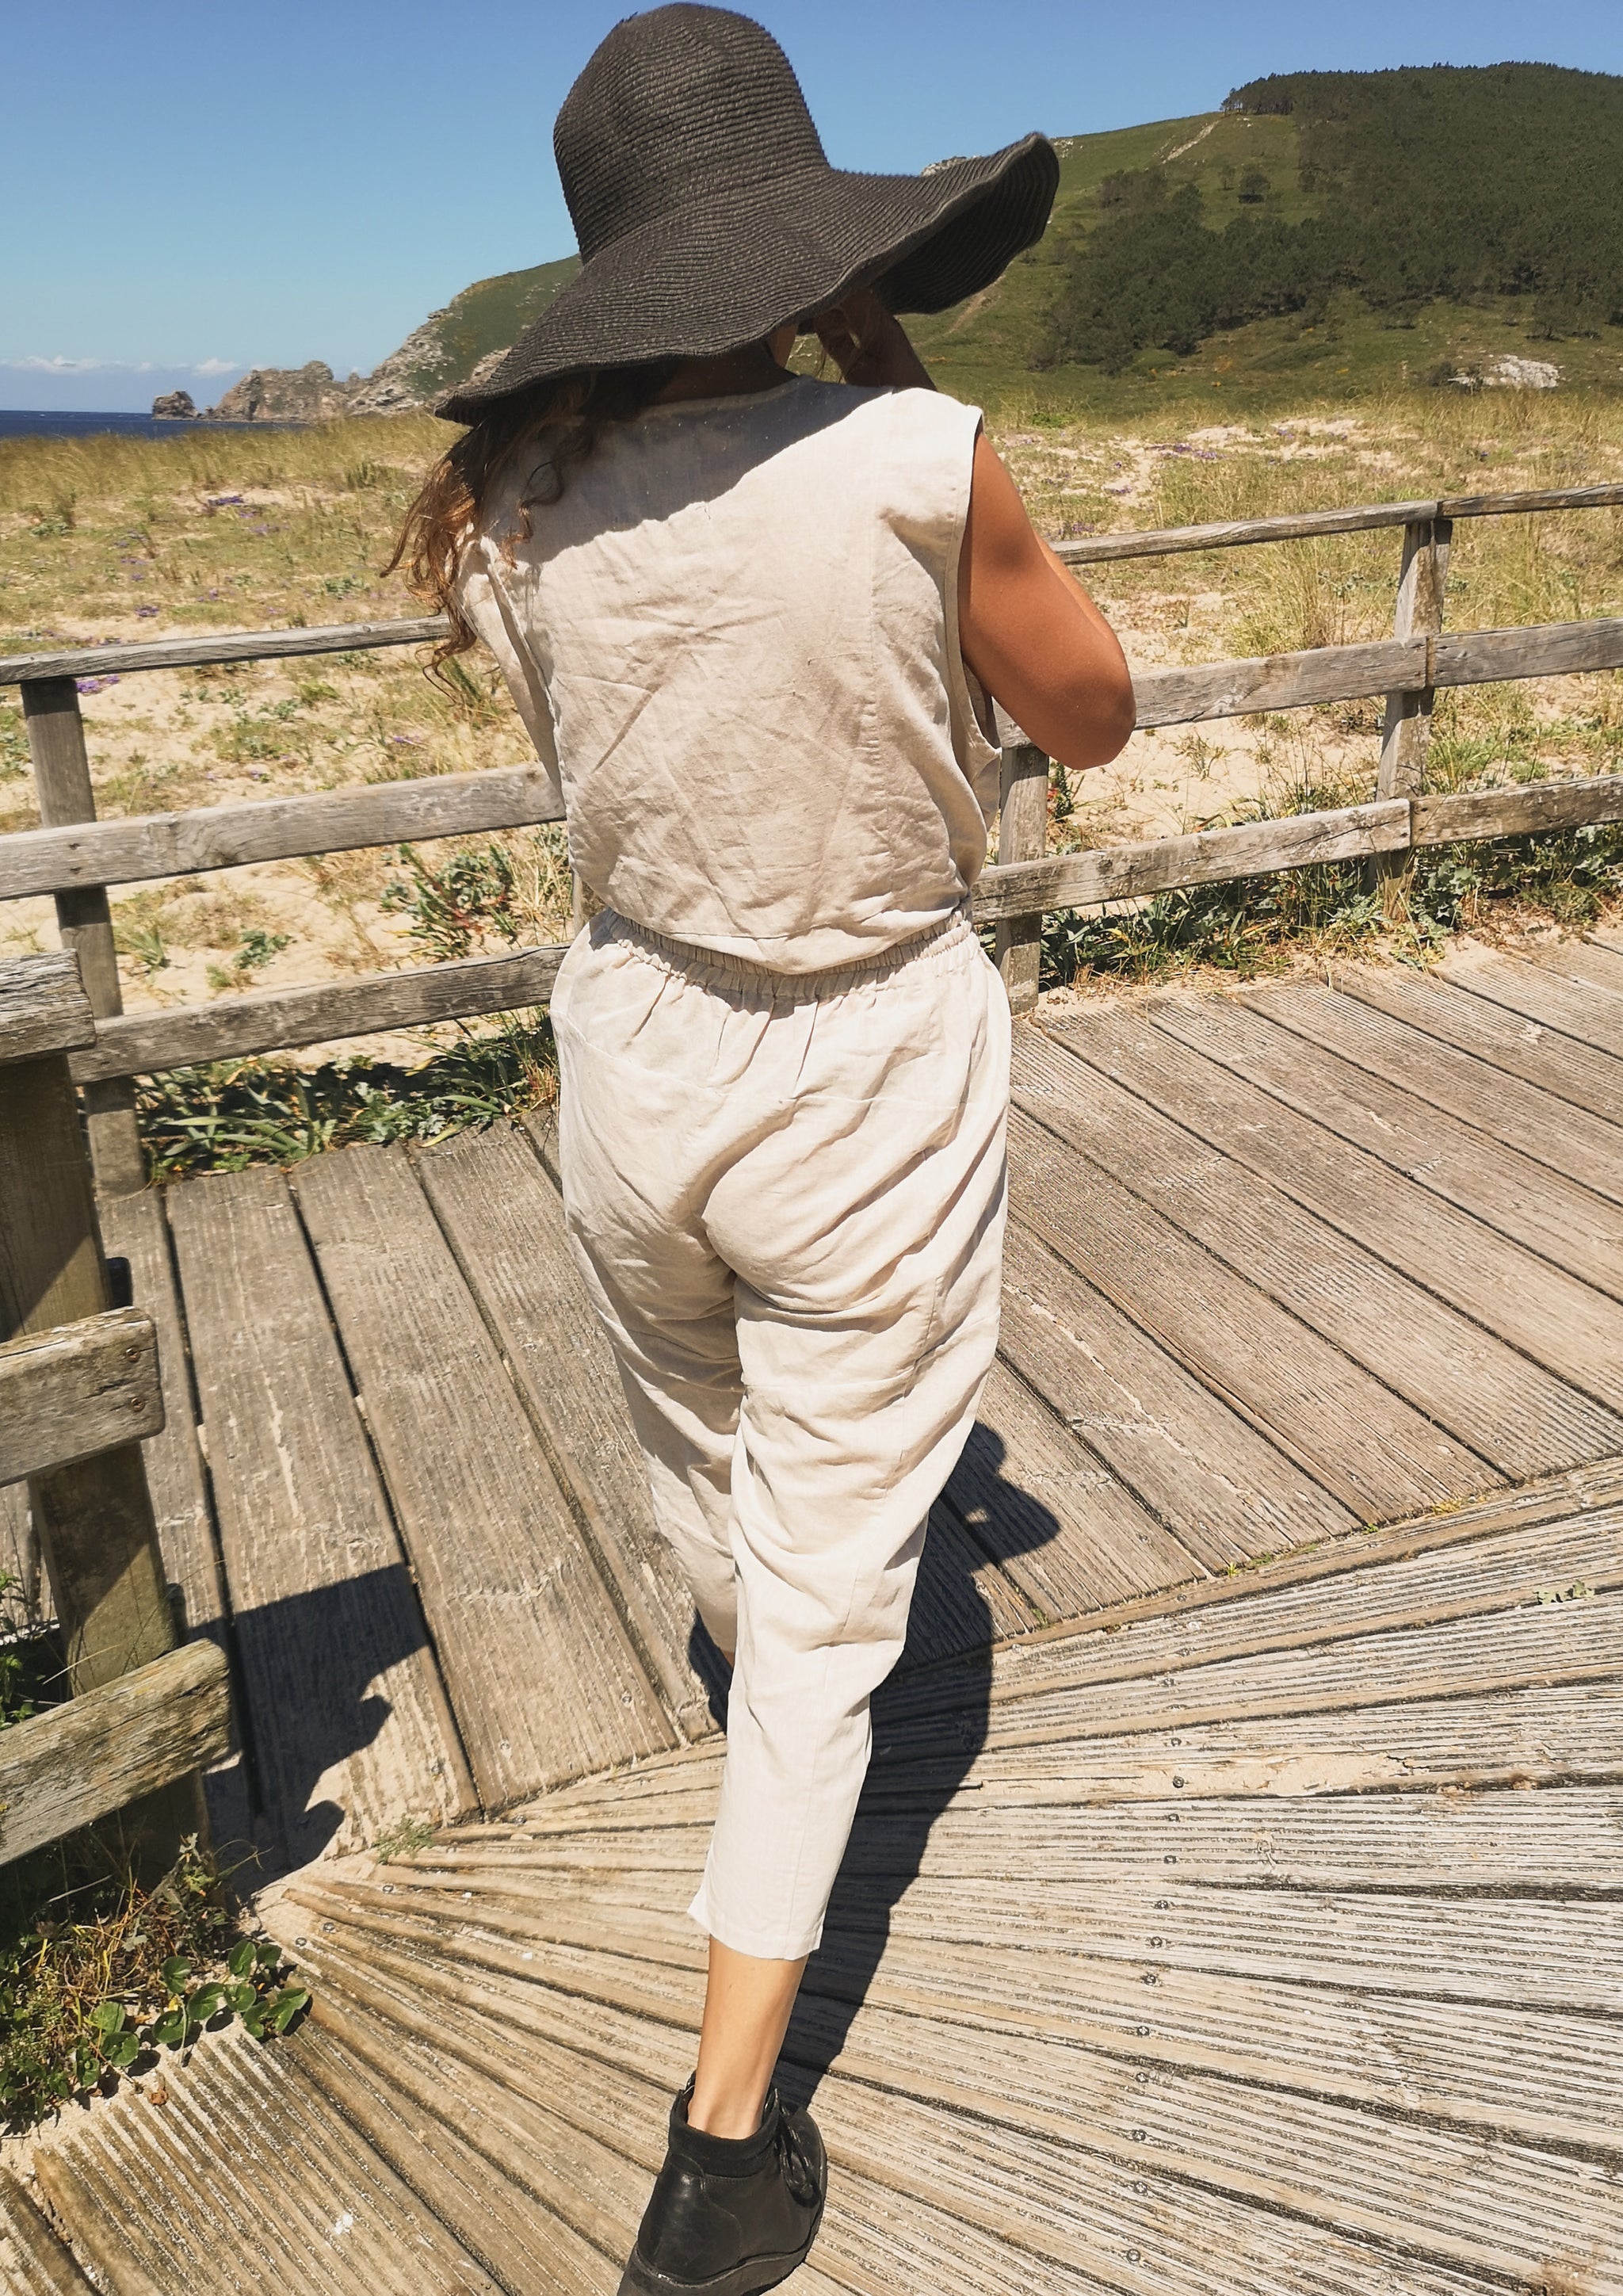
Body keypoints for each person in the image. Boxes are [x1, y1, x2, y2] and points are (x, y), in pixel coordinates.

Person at [393, 10, 1133, 2290]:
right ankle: (723, 2148)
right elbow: (1090, 706)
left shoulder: (518, 506)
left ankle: (764, 1725)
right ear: (804, 236)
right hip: (859, 1065)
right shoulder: (918, 449)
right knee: (832, 1605)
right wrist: (887, 374)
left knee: (705, 1462)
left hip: (638, 1057)